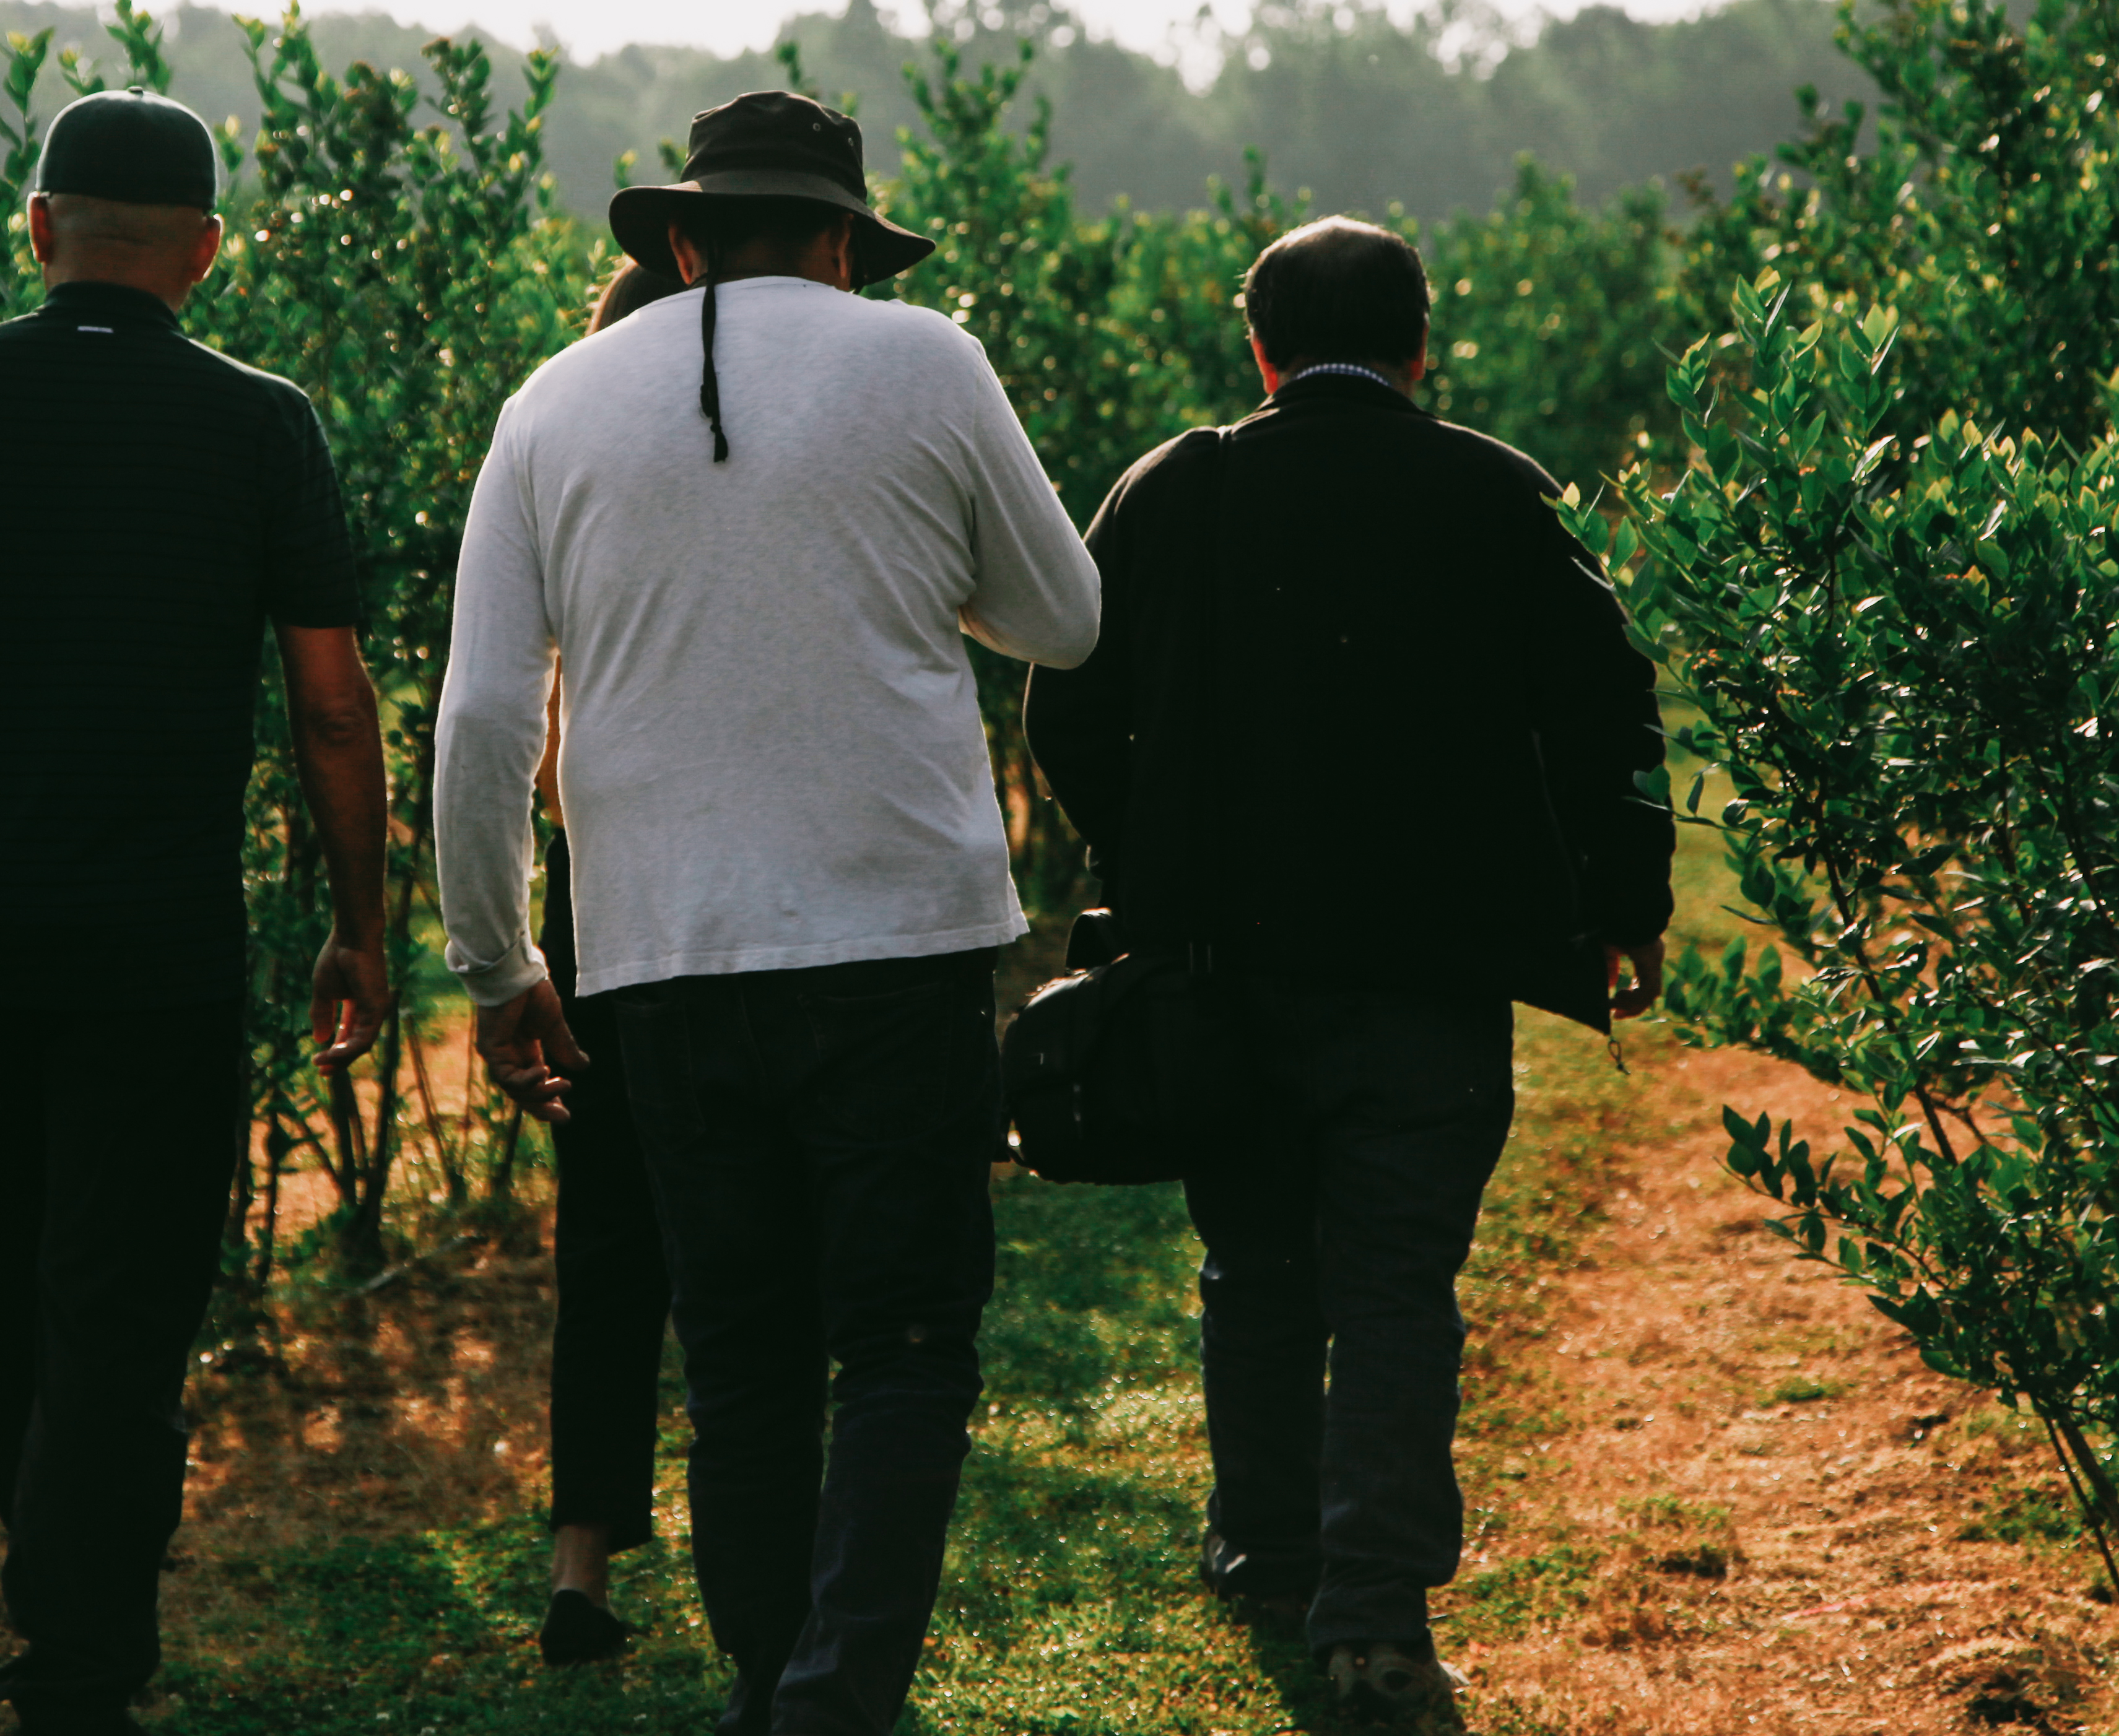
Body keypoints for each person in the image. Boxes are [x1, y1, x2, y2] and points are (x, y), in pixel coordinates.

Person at [435, 89, 1100, 1736]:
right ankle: (827, 1703)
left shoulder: (550, 406)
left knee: (739, 1359)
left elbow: (479, 716)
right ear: (841, 240)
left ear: (676, 239)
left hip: (658, 955)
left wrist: (499, 958)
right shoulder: (923, 361)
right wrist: (894, 561)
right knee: (902, 1338)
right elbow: (1064, 619)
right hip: (895, 937)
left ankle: (774, 1695)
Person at [0, 88, 392, 1736]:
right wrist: (361, 924)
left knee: (11, 1243)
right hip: (151, 941)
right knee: (120, 1293)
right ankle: (80, 1661)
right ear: (204, 253)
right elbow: (332, 708)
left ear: (38, 230)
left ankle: (60, 1589)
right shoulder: (261, 428)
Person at [1022, 215, 1672, 1729]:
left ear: (1256, 346)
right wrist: (1621, 906)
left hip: (1213, 977)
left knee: (1255, 1267)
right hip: (1427, 986)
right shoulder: (1497, 493)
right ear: (1419, 345)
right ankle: (1372, 1620)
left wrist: (1149, 858)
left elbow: (1067, 710)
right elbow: (1605, 716)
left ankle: (1265, 1552)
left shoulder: (1171, 494)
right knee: (1395, 1288)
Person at [507, 257, 687, 1667]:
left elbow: (545, 754)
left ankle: (582, 1561)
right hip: (729, 899)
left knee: (607, 1242)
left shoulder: (570, 476)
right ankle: (785, 1546)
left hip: (599, 902)